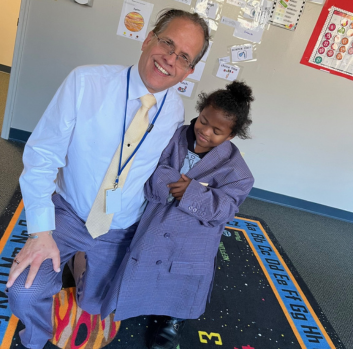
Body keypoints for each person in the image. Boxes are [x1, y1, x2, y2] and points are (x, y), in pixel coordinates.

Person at [6, 9, 210, 349]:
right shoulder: (85, 82)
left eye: (183, 57)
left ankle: (79, 259)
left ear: (188, 71)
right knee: (25, 293)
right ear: (148, 39)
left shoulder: (175, 111)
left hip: (121, 225)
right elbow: (42, 157)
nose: (169, 59)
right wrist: (40, 233)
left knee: (101, 305)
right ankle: (36, 339)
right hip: (69, 213)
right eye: (166, 43)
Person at [100, 80, 255, 349]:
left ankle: (173, 319)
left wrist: (192, 193)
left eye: (216, 131)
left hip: (194, 240)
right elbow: (152, 162)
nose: (205, 131)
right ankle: (132, 301)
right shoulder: (174, 136)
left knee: (181, 280)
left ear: (230, 137)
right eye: (203, 120)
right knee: (143, 265)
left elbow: (226, 208)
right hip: (156, 223)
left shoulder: (239, 172)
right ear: (200, 110)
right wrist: (174, 185)